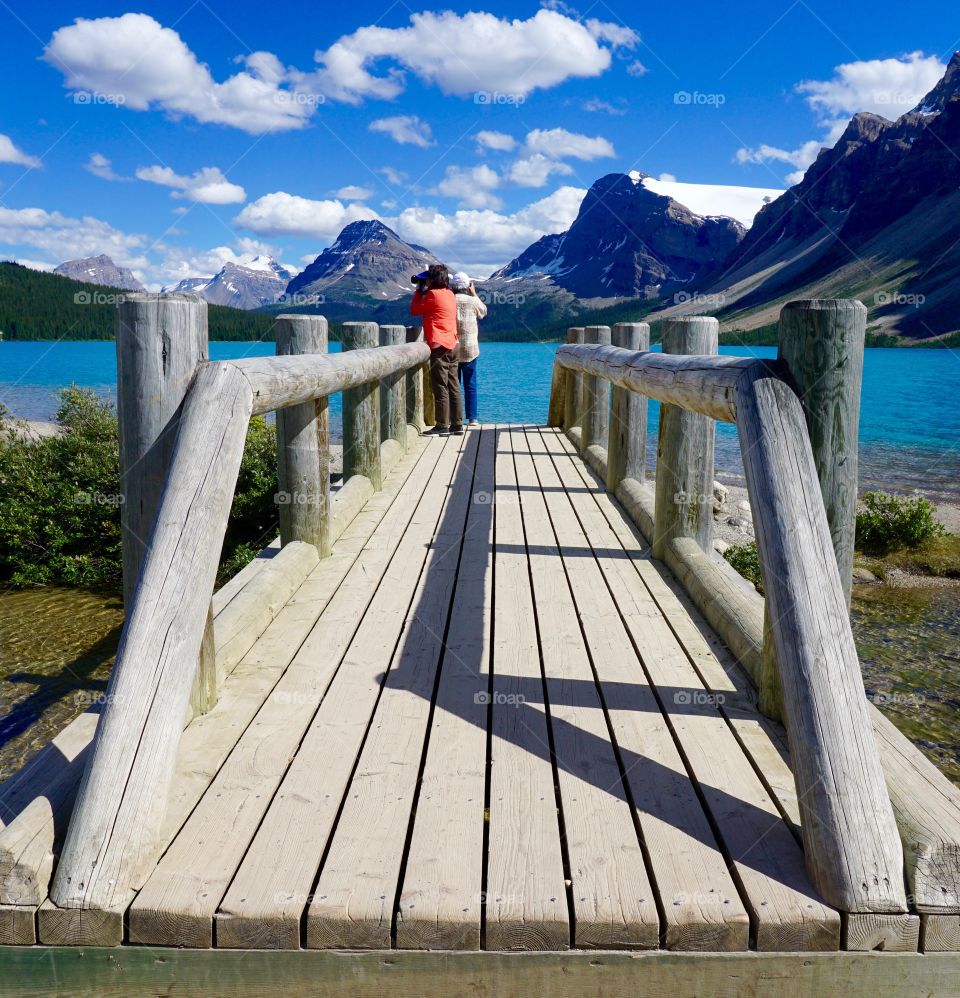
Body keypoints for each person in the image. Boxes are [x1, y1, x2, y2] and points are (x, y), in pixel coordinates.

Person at [410, 263, 462, 435]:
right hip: (454, 344)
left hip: (439, 345)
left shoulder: (432, 294)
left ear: (432, 280)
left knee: (440, 386)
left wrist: (419, 291)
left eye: (427, 279)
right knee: (454, 385)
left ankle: (442, 425)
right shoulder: (450, 293)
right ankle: (457, 424)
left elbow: (414, 310)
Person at [450, 271, 487, 426]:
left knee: (453, 385)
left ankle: (454, 418)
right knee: (470, 384)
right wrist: (474, 294)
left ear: (453, 287)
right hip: (470, 349)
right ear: (467, 286)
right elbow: (483, 312)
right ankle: (472, 418)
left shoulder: (449, 300)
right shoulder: (472, 301)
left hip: (452, 348)